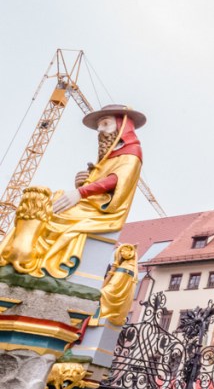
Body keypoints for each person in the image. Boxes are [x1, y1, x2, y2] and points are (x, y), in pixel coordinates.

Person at [0, 105, 146, 279]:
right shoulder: (110, 154)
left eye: (105, 124)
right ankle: (17, 254)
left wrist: (81, 192)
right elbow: (101, 181)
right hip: (90, 201)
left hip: (103, 209)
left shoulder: (131, 153)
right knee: (49, 203)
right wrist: (82, 182)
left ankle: (37, 260)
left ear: (122, 126)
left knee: (56, 217)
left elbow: (117, 180)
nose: (100, 130)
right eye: (99, 126)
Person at [99, 243, 138, 325]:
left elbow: (113, 285)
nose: (121, 253)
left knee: (104, 293)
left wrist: (121, 249)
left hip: (120, 280)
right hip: (121, 282)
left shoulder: (127, 266)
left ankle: (105, 311)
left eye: (123, 251)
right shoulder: (129, 265)